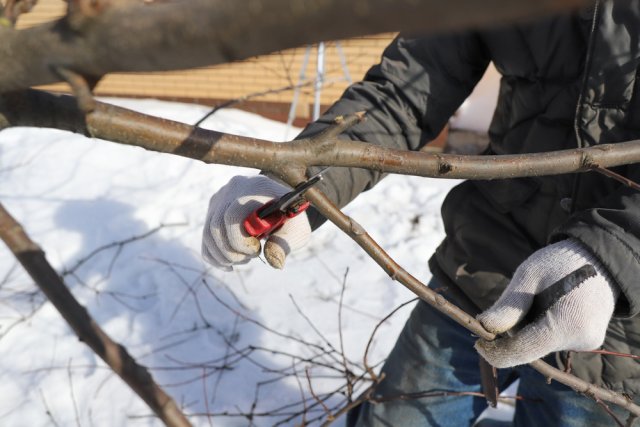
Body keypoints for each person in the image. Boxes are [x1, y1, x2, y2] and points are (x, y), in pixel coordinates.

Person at [202, 1, 640, 425]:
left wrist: (617, 252)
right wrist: (294, 181)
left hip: (621, 331)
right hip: (483, 271)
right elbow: (407, 89)